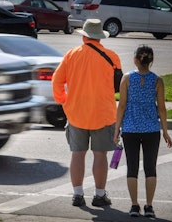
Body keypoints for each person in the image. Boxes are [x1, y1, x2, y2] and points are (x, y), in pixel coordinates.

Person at [52, 19, 122, 207]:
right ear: (100, 37)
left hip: (76, 113)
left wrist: (63, 100)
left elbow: (56, 81)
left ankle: (77, 194)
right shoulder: (112, 57)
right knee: (100, 155)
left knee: (78, 154)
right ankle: (99, 195)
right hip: (103, 113)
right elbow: (118, 86)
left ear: (83, 36)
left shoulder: (71, 55)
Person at [113, 45, 172, 217]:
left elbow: (122, 105)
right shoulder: (157, 81)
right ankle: (149, 206)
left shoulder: (126, 78)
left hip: (130, 129)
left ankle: (134, 206)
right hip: (152, 130)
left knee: (132, 168)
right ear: (151, 61)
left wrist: (117, 130)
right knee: (150, 168)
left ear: (135, 60)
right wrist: (165, 131)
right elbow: (161, 108)